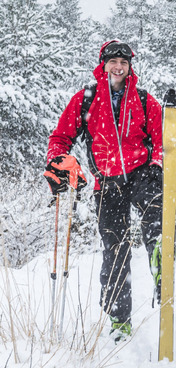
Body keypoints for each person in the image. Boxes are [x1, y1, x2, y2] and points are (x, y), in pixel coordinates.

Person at [46, 40, 164, 343]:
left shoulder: (143, 99)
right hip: (107, 183)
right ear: (103, 64)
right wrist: (60, 162)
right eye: (113, 61)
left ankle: (161, 261)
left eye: (124, 62)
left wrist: (156, 163)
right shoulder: (86, 100)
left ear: (130, 67)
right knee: (115, 250)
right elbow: (60, 138)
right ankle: (118, 318)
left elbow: (162, 142)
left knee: (156, 217)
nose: (119, 66)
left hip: (141, 175)